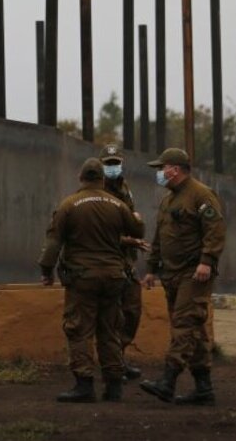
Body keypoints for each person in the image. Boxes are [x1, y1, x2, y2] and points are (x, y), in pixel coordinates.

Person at [38, 157, 143, 403]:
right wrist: (138, 219)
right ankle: (114, 385)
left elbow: (54, 242)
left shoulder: (69, 205)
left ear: (81, 178)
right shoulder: (117, 204)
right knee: (110, 330)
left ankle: (84, 384)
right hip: (114, 277)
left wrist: (46, 271)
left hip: (82, 278)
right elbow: (137, 231)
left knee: (79, 329)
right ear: (102, 179)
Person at [139, 148, 227, 406]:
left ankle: (168, 380)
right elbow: (160, 236)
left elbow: (216, 229)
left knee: (183, 325)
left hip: (194, 273)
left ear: (174, 169)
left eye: (161, 167)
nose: (159, 173)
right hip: (172, 273)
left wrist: (207, 260)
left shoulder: (201, 195)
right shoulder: (169, 200)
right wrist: (152, 268)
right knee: (195, 331)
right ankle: (203, 388)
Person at [98, 144, 150, 380]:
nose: (112, 168)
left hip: (126, 260)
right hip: (107, 258)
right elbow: (100, 231)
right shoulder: (97, 191)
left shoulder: (125, 189)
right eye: (108, 164)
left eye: (115, 163)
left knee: (132, 309)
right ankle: (112, 364)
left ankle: (119, 357)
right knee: (111, 314)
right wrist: (130, 240)